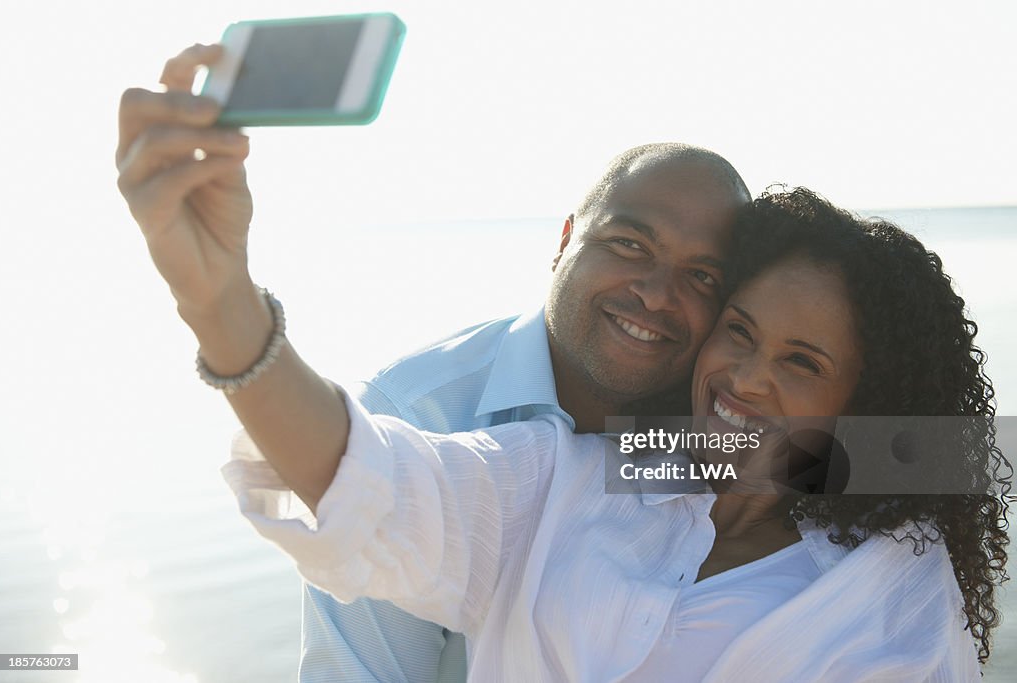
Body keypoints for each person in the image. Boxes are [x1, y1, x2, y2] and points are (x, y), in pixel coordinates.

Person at [116, 44, 749, 681]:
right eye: (629, 243)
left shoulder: (712, 428)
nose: (659, 293)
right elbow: (361, 644)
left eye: (702, 275)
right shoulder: (414, 417)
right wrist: (218, 299)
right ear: (564, 242)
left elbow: (839, 464)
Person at [220, 187, 1010, 681]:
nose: (749, 375)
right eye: (739, 330)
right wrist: (219, 297)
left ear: (858, 404)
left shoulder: (892, 581)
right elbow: (364, 482)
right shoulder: (575, 472)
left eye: (801, 361)